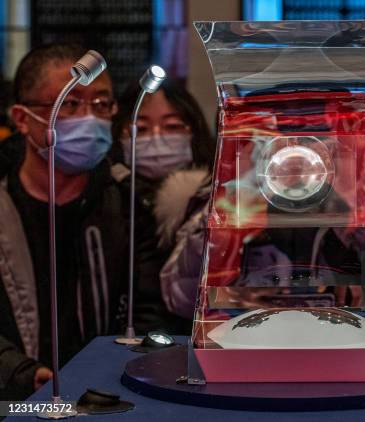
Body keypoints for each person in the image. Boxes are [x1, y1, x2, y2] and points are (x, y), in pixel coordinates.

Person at [0, 43, 128, 400]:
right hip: (13, 398)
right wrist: (22, 374)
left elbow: (148, 304)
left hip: (112, 394)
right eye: (70, 103)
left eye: (102, 104)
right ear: (23, 118)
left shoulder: (128, 200)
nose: (90, 117)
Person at [110, 78, 215, 332]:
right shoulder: (108, 201)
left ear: (194, 131)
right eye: (141, 129)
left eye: (172, 126)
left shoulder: (213, 203)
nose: (157, 138)